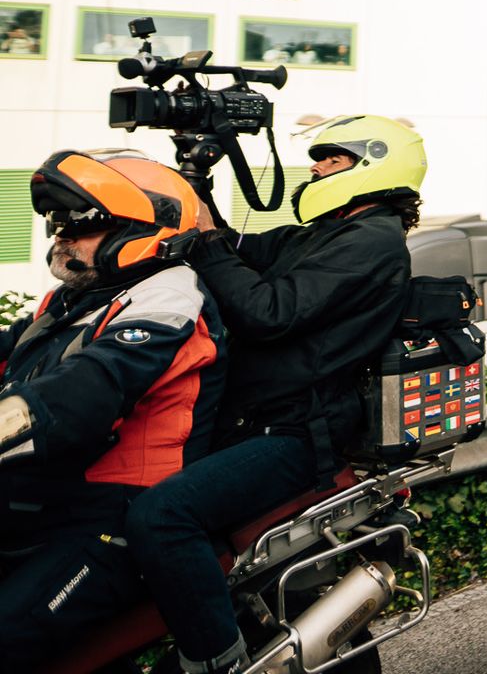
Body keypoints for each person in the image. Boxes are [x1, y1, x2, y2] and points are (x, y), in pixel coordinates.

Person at [125, 115, 424, 674]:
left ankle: (216, 661)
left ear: (374, 164)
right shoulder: (324, 233)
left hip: (295, 433)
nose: (315, 168)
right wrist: (195, 186)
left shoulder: (372, 242)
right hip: (248, 419)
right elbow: (236, 250)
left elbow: (269, 311)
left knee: (160, 516)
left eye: (330, 160)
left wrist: (212, 249)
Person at [0, 151, 225, 666]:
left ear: (138, 228)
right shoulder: (74, 299)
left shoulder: (168, 295)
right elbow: (14, 353)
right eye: (57, 222)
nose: (61, 234)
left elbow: (89, 388)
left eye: (82, 223)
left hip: (110, 516)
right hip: (44, 498)